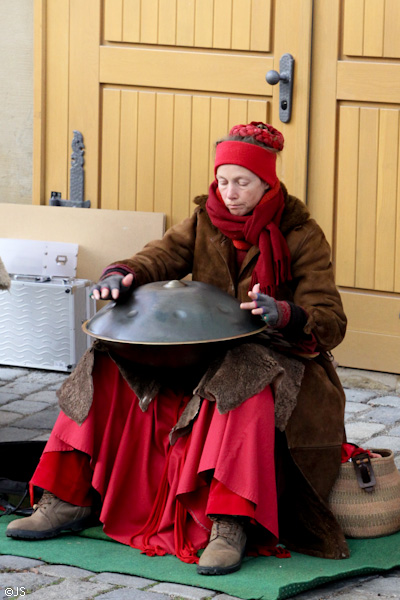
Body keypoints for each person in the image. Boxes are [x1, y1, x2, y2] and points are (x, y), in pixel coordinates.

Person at [6, 122, 349, 574]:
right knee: (105, 357)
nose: (229, 192)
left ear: (268, 183)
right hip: (206, 347)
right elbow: (160, 256)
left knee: (241, 377)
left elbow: (331, 319)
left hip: (279, 354)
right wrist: (121, 274)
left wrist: (284, 312)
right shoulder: (206, 220)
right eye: (223, 181)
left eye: (242, 182)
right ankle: (67, 497)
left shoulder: (302, 234)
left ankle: (230, 523)